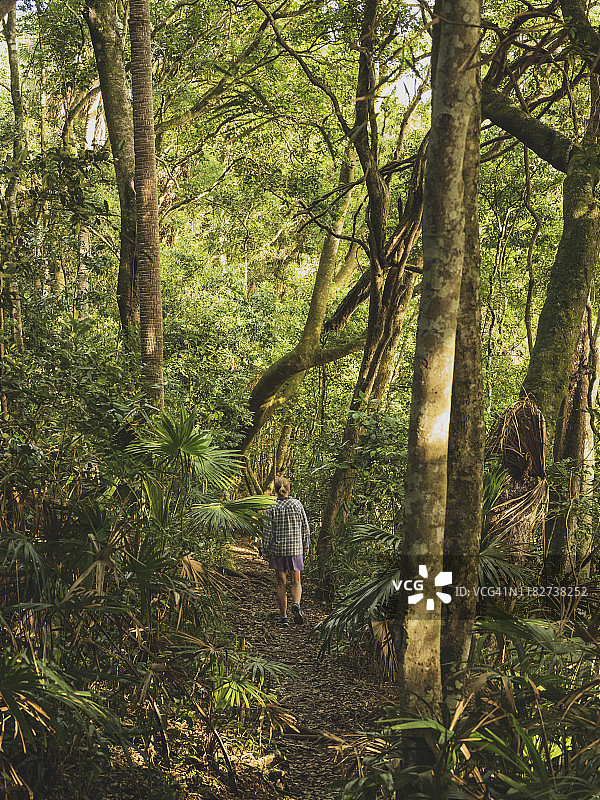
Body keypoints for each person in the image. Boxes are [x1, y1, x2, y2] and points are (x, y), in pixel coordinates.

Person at [262, 476, 310, 625]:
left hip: (277, 550)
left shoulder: (271, 507)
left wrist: (266, 551)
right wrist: (306, 545)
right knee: (296, 581)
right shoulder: (297, 504)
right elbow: (305, 526)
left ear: (275, 490)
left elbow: (267, 531)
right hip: (295, 549)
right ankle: (296, 604)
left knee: (281, 584)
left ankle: (283, 618)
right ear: (288, 489)